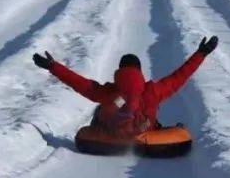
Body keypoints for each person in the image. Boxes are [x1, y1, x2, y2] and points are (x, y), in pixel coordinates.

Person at [32, 37, 218, 136]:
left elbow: (79, 83)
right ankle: (149, 128)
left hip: (112, 133)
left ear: (119, 71)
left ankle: (105, 127)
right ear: (139, 71)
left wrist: (53, 67)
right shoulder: (152, 91)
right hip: (143, 133)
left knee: (102, 108)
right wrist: (201, 53)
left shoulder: (109, 92)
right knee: (176, 128)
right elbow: (180, 76)